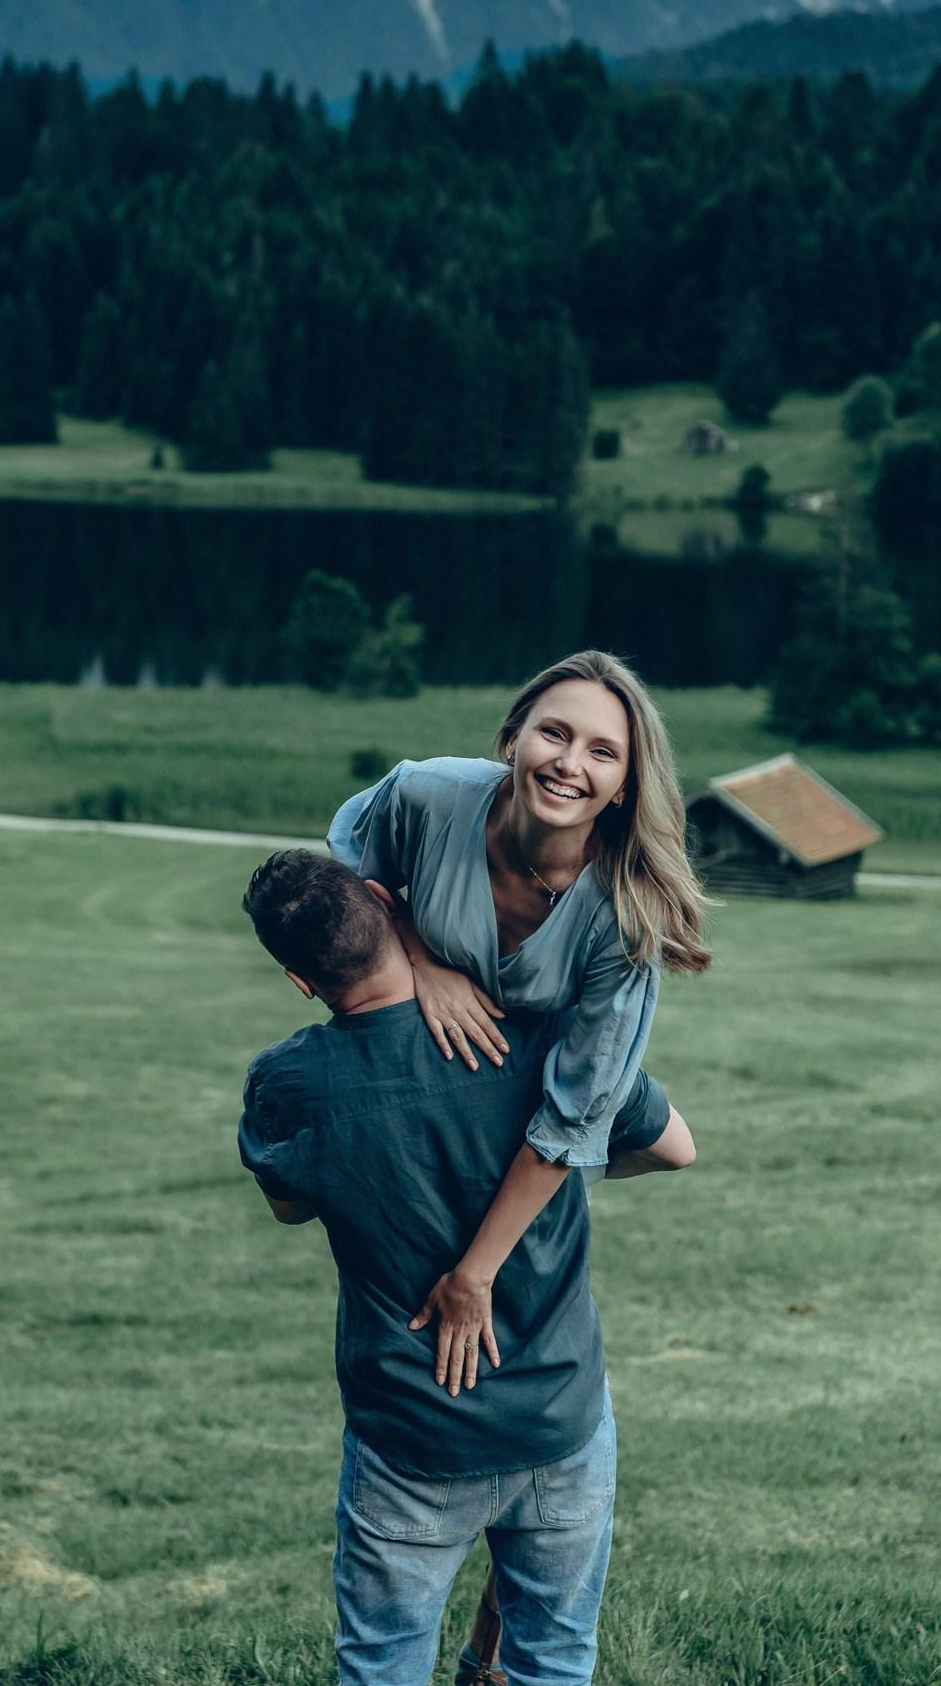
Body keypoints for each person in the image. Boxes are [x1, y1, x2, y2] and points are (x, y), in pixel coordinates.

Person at [328, 648, 711, 1680]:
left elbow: (570, 1115)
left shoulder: (619, 915)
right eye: (553, 732)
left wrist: (474, 1273)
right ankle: (492, 1650)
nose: (569, 762)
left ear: (625, 783)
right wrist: (421, 957)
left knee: (671, 1146)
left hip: (558, 1087)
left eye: (600, 751)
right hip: (446, 1071)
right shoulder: (425, 795)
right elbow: (339, 879)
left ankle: (498, 1641)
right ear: (510, 736)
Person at [239, 850, 696, 1686]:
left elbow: (289, 1206)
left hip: (410, 1436)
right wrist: (551, 1175)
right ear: (386, 903)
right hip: (558, 1416)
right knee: (550, 1660)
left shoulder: (289, 1084)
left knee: (382, 1666)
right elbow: (675, 1148)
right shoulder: (538, 1032)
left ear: (298, 980)